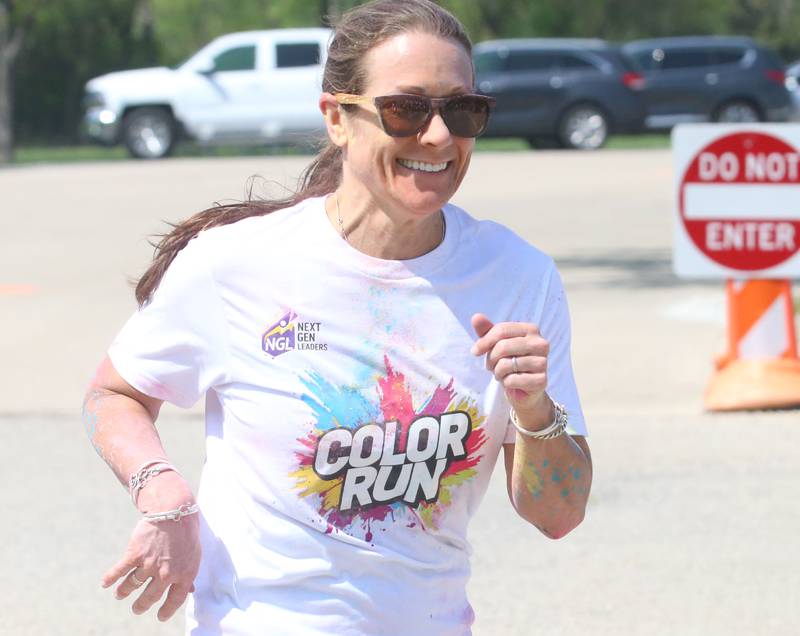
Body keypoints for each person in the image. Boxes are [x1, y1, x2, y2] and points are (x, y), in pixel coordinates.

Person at [82, 1, 592, 633]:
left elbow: (559, 516)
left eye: (463, 111)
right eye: (406, 109)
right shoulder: (235, 264)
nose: (438, 136)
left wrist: (535, 412)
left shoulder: (517, 277)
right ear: (337, 119)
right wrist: (162, 491)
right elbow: (114, 394)